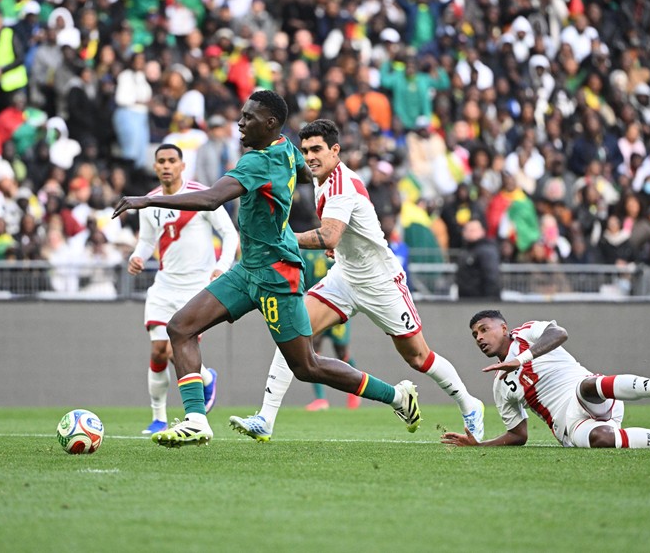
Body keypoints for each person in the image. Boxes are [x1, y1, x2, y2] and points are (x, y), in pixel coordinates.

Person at [113, 90, 421, 447]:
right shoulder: (287, 150)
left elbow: (212, 199)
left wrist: (148, 199)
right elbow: (306, 175)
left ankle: (398, 397)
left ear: (270, 123)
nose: (240, 124)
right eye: (241, 116)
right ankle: (196, 419)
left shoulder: (257, 163)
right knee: (180, 327)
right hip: (248, 270)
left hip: (277, 274)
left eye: (248, 118)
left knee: (307, 367)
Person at [228, 119, 482, 442]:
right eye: (305, 150)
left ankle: (470, 404)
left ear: (336, 151)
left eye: (317, 149)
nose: (310, 157)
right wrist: (340, 247)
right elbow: (339, 235)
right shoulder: (322, 179)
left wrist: (281, 238)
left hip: (381, 282)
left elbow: (329, 234)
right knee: (291, 330)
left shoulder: (340, 184)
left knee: (419, 357)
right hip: (346, 276)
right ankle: (265, 418)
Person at [440, 310, 650, 449]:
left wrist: (523, 359)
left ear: (503, 328)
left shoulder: (528, 332)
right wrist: (480, 445)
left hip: (594, 395)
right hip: (569, 427)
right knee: (601, 440)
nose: (479, 337)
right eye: (474, 335)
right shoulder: (500, 386)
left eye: (483, 329)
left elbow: (560, 334)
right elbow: (519, 435)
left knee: (586, 386)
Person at [127, 143, 239, 436]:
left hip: (197, 287)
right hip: (164, 286)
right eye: (161, 161)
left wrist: (222, 266)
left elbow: (229, 233)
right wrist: (137, 256)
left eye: (171, 160)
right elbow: (147, 241)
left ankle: (205, 378)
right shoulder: (149, 202)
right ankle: (159, 418)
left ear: (182, 165)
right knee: (158, 350)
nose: (166, 165)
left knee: (176, 350)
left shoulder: (201, 196)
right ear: (155, 167)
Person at [299, 247, 358, 412]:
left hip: (329, 303)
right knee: (314, 349)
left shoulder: (332, 250)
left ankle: (353, 391)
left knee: (340, 351)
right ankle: (321, 399)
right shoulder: (330, 250)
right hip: (326, 302)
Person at [456, 219, 502, 299]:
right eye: (467, 230)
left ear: (482, 231)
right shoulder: (466, 250)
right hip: (467, 300)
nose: (469, 233)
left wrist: (489, 301)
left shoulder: (486, 250)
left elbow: (491, 278)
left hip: (480, 300)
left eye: (473, 230)